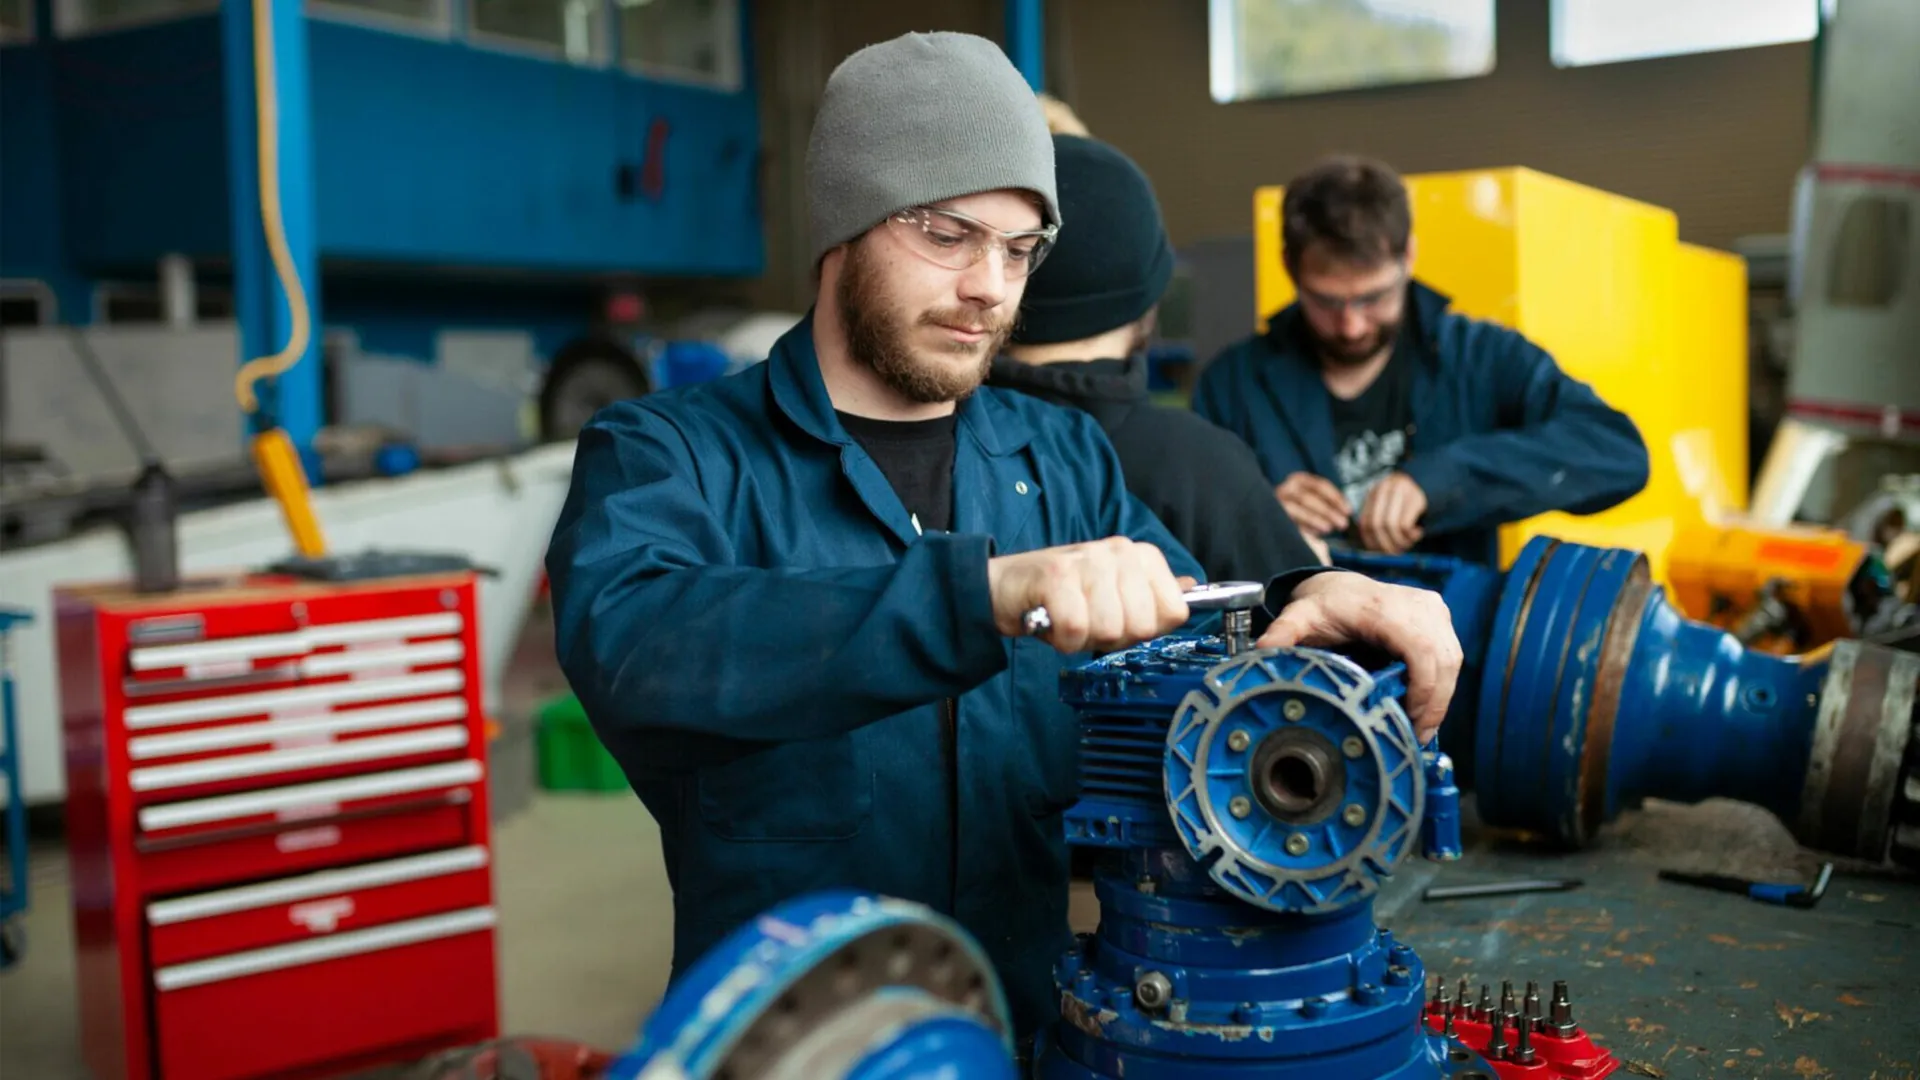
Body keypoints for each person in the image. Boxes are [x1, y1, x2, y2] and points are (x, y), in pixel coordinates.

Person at [545, 33, 1462, 1046]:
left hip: (1022, 1033)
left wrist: (1303, 605)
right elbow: (637, 642)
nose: (991, 287)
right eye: (949, 235)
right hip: (796, 1050)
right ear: (843, 226)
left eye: (1021, 249)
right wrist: (979, 593)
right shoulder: (671, 453)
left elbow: (1193, 642)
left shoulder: (1060, 459)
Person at [1193, 154, 1650, 568]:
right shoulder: (1232, 385)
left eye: (1373, 297)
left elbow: (1618, 453)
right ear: (1289, 266)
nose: (1351, 326)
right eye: (1326, 301)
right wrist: (1256, 514)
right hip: (1298, 647)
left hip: (1455, 642)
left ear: (1408, 256)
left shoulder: (1480, 357)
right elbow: (1177, 530)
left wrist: (1443, 479)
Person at [993, 132, 1328, 585]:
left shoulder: (950, 444)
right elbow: (1311, 640)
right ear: (1149, 302)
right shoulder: (1200, 466)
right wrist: (1313, 571)